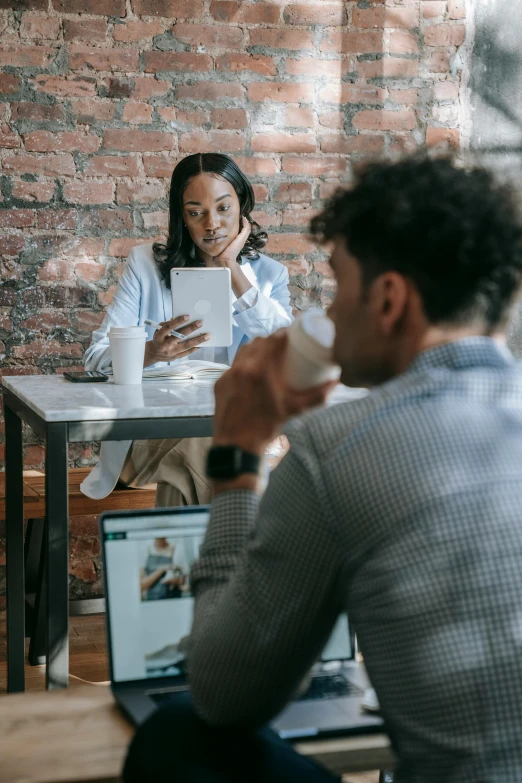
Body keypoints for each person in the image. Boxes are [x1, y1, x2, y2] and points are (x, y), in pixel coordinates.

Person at [124, 156, 522, 783]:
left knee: (174, 734)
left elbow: (225, 695)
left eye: (339, 288)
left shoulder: (339, 445)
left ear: (388, 299)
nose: (330, 316)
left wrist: (237, 460)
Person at [81, 153, 292, 505]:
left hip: (232, 430)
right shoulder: (145, 265)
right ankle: (255, 551)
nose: (212, 224)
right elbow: (95, 358)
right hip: (147, 435)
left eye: (224, 209)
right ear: (182, 217)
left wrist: (232, 271)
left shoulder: (268, 276)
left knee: (191, 470)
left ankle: (180, 562)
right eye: (196, 213)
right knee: (211, 449)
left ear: (242, 209)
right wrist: (149, 353)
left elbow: (289, 355)